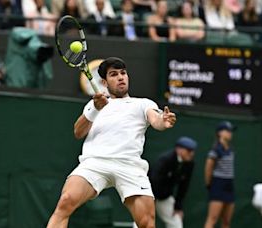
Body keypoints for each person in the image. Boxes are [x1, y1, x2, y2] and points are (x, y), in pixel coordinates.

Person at [46, 57, 177, 228]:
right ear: (104, 82)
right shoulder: (94, 104)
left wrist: (163, 120)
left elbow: (157, 121)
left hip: (129, 165)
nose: (121, 77)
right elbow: (78, 132)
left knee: (146, 223)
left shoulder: (142, 104)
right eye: (114, 74)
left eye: (123, 73)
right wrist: (95, 108)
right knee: (65, 201)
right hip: (95, 163)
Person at [148, 136, 197, 228]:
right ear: (179, 149)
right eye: (189, 151)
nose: (191, 154)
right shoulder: (165, 160)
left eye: (193, 151)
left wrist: (178, 207)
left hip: (165, 197)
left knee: (176, 223)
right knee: (142, 221)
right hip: (150, 195)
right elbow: (154, 181)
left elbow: (184, 186)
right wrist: (151, 201)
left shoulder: (189, 164)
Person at [204, 121, 236, 228]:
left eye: (231, 131)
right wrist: (210, 184)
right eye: (227, 131)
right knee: (212, 219)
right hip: (218, 184)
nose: (230, 133)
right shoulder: (215, 150)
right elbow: (208, 168)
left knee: (226, 221)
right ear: (220, 133)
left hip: (229, 185)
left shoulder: (230, 149)